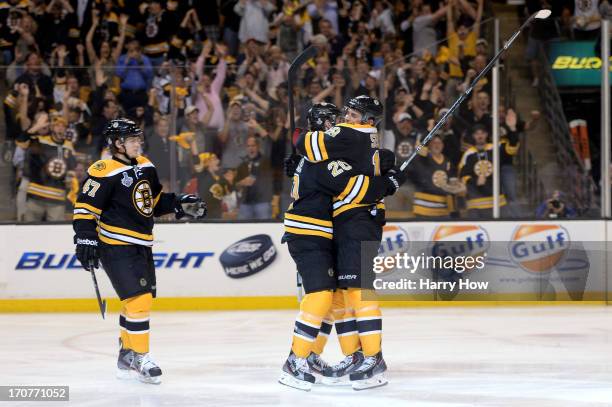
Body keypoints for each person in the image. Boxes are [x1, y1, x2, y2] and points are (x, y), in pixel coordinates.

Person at [72, 118, 206, 384]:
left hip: (142, 243)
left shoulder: (146, 165)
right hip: (115, 244)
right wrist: (85, 238)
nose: (138, 143)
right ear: (117, 143)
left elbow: (153, 202)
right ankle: (142, 357)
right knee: (139, 300)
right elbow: (85, 208)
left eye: (138, 138)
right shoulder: (102, 170)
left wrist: (178, 204)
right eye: (133, 139)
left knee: (133, 302)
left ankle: (127, 354)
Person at [280, 102, 404, 390]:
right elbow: (350, 183)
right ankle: (301, 357)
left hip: (328, 230)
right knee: (325, 297)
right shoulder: (324, 157)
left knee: (337, 297)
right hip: (310, 232)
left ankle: (348, 355)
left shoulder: (327, 152)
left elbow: (347, 165)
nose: (338, 123)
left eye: (345, 117)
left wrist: (383, 165)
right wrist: (387, 179)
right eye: (332, 120)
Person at [458, 116, 519, 218]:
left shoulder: (495, 148)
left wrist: (512, 129)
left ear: (486, 135)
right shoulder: (468, 154)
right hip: (476, 204)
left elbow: (512, 149)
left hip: (497, 202)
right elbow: (462, 176)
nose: (480, 136)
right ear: (473, 136)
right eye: (477, 133)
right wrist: (475, 181)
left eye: (482, 133)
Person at [21, 116, 76, 221]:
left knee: (55, 234)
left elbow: (71, 173)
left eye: (63, 126)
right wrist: (36, 127)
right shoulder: (40, 141)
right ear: (51, 128)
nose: (60, 128)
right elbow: (21, 142)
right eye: (57, 125)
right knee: (29, 232)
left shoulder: (69, 147)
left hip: (57, 199)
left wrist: (70, 193)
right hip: (36, 196)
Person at [235, 136, 276, 219]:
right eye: (248, 146)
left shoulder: (266, 161)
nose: (251, 148)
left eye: (253, 146)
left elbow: (270, 179)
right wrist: (242, 182)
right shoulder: (242, 163)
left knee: (264, 228)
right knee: (242, 228)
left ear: (258, 147)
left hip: (262, 202)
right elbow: (235, 184)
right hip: (245, 202)